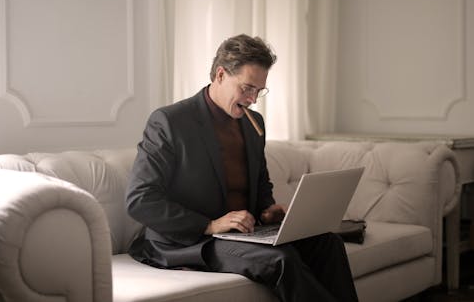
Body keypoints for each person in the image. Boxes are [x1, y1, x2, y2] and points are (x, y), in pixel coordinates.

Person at [126, 34, 358, 302]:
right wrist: (209, 225)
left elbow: (260, 184)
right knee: (280, 260)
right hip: (190, 240)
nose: (253, 99)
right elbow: (139, 199)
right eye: (247, 88)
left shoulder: (252, 123)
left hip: (240, 236)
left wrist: (267, 211)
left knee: (328, 244)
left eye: (259, 91)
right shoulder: (169, 121)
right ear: (221, 75)